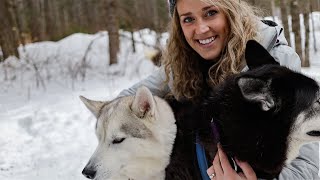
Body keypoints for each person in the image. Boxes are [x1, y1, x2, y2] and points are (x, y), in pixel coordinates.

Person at [119, 0, 320, 179]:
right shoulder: (184, 61)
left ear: (230, 10)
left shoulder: (274, 65)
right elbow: (123, 103)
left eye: (210, 12)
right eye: (188, 19)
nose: (201, 28)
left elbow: (306, 166)